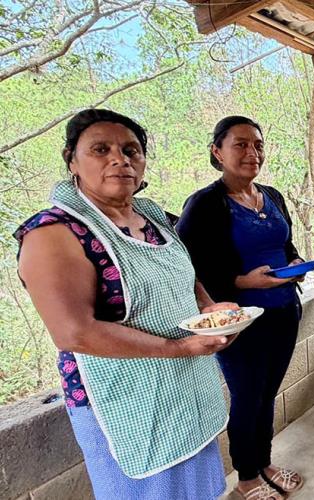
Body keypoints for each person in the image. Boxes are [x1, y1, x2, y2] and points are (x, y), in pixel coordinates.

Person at [14, 109, 235, 499]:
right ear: (72, 159)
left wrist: (207, 309)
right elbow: (74, 333)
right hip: (123, 402)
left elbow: (184, 271)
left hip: (185, 390)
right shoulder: (54, 232)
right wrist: (180, 347)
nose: (120, 159)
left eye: (131, 150)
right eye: (101, 149)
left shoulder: (152, 217)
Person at [177, 116, 304, 500]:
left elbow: (287, 244)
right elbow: (187, 265)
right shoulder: (204, 204)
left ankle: (264, 463)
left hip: (284, 311)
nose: (253, 153)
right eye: (241, 144)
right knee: (247, 396)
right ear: (217, 151)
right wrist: (244, 281)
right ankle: (247, 478)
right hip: (240, 321)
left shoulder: (273, 195)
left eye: (258, 145)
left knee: (267, 393)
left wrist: (297, 267)